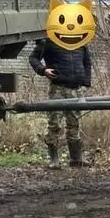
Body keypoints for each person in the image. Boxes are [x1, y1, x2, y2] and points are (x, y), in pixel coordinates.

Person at [28, 34, 92, 169]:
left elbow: (87, 62)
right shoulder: (49, 41)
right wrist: (43, 70)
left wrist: (86, 83)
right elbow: (33, 58)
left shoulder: (79, 41)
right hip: (58, 88)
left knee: (74, 123)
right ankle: (54, 160)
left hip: (76, 89)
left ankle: (76, 159)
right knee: (54, 123)